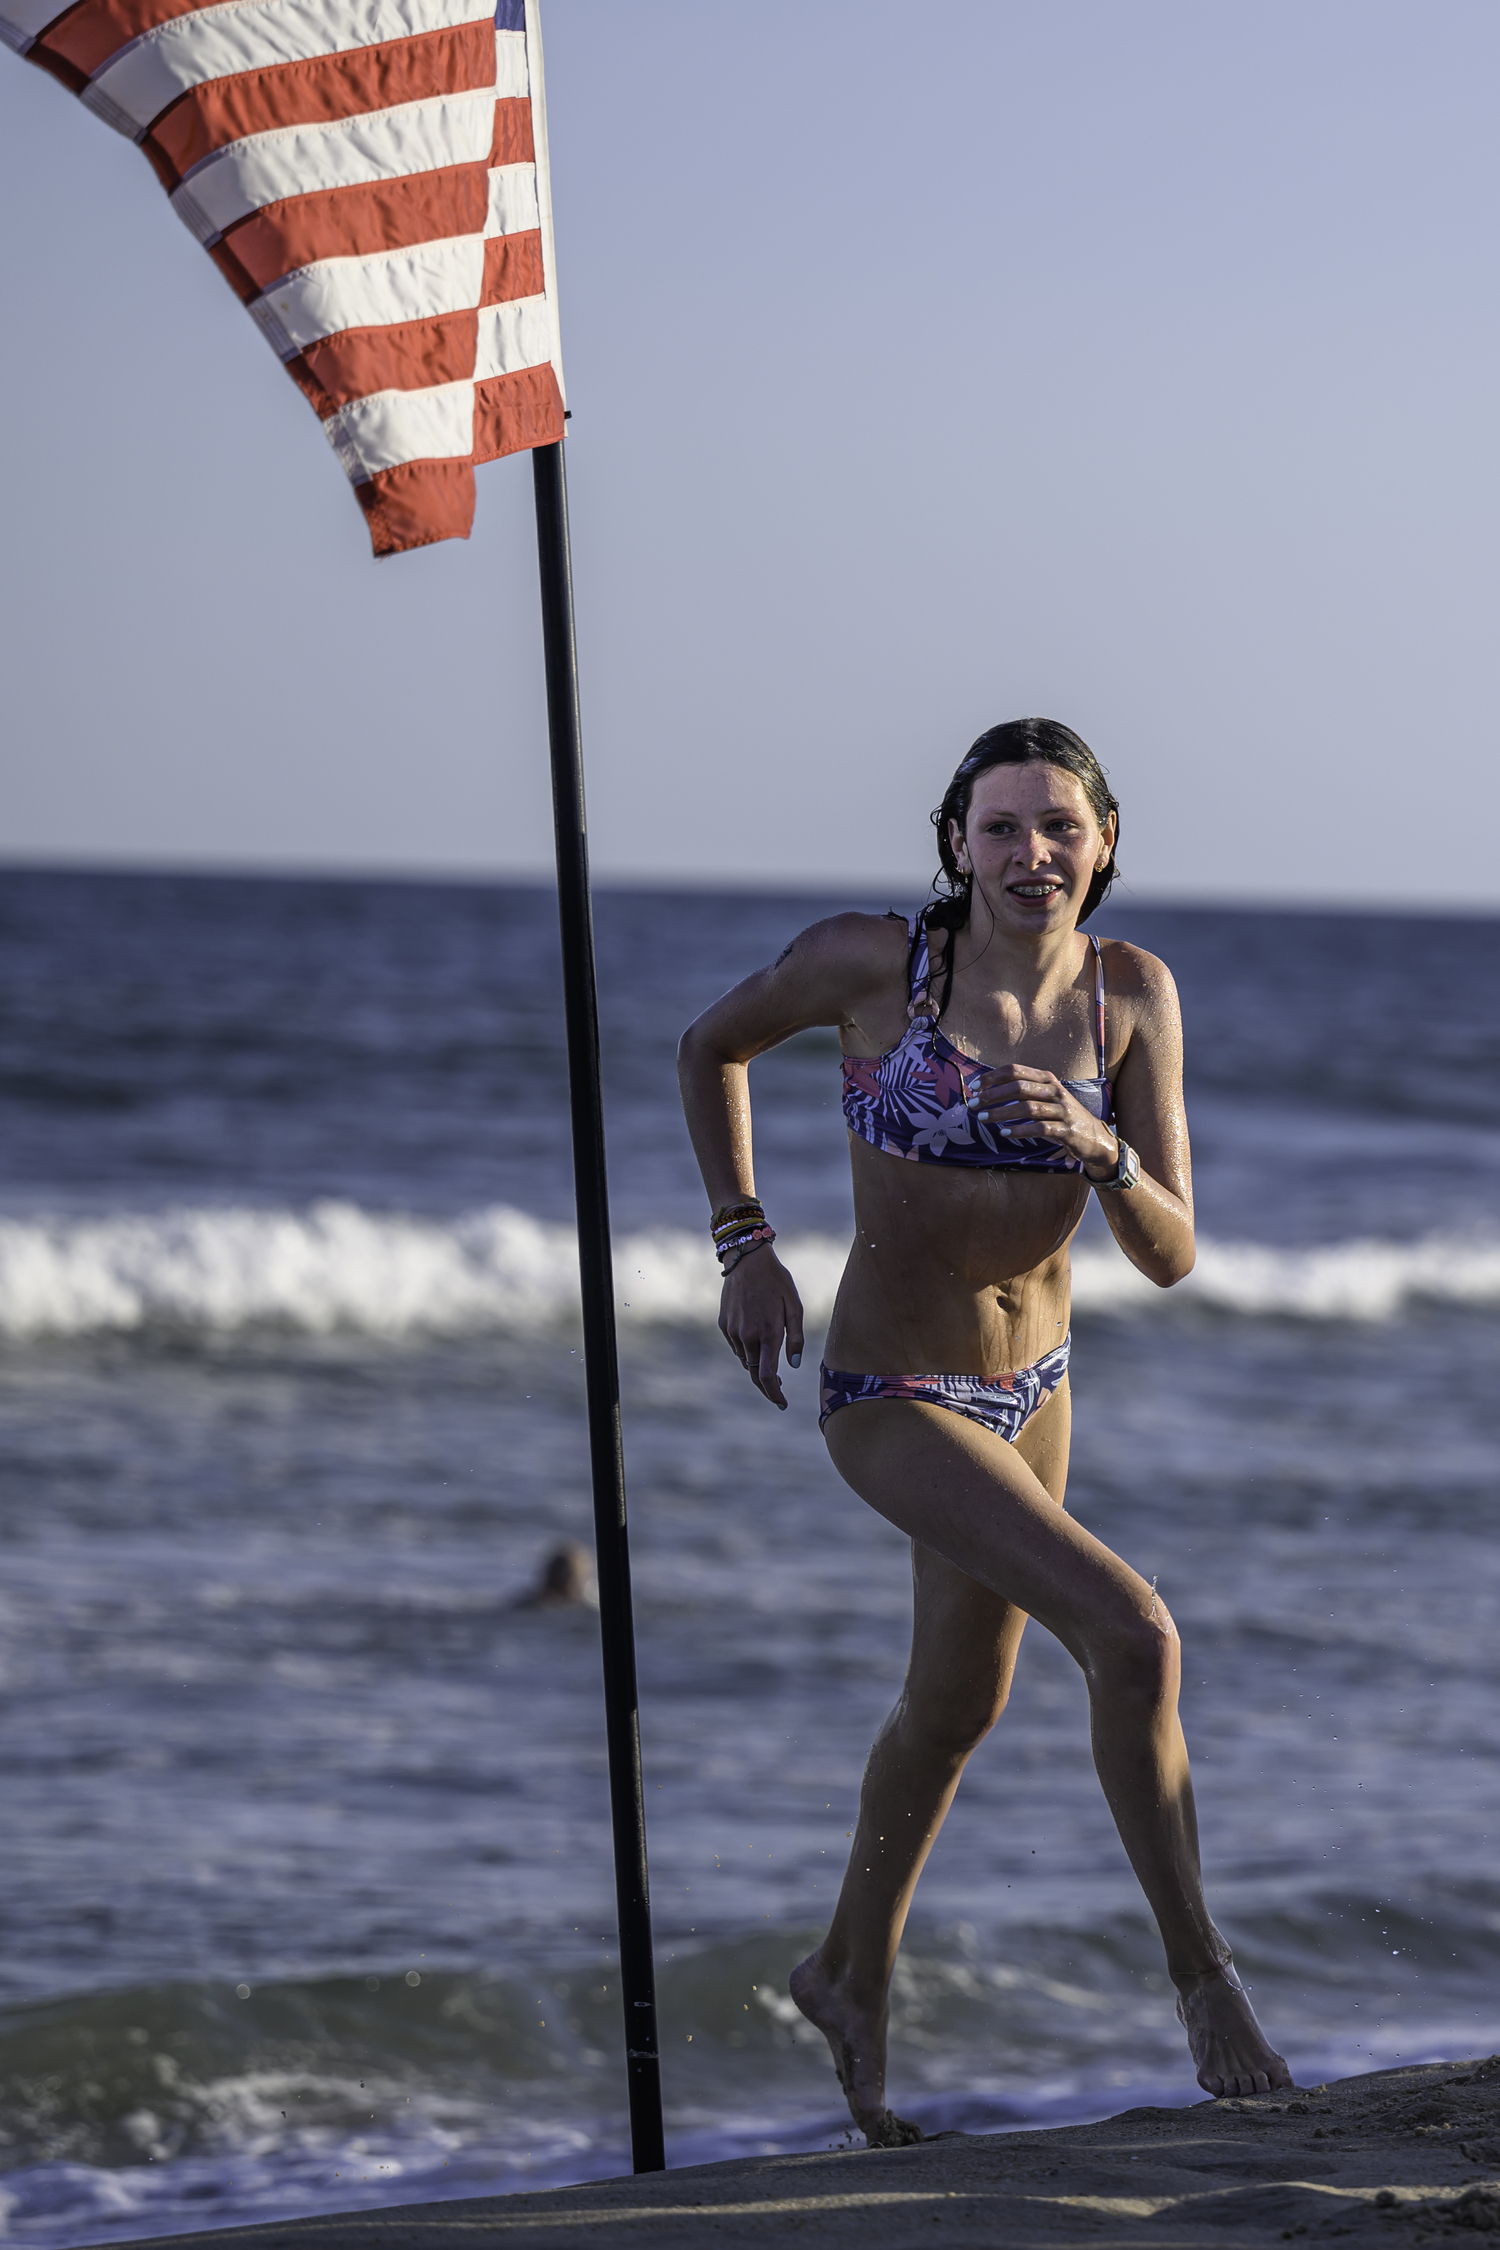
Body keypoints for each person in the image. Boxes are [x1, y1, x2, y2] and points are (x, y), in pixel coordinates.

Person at [677, 717, 1292, 2145]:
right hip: (892, 1393)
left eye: (1059, 826)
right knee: (1135, 1634)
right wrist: (742, 1242)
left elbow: (1173, 1248)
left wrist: (1106, 1151)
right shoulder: (872, 968)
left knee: (957, 1707)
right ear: (956, 840)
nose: (1031, 853)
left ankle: (845, 1972)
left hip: (1039, 1387)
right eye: (1001, 826)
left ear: (1106, 842)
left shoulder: (1129, 998)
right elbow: (713, 1043)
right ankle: (1207, 1980)